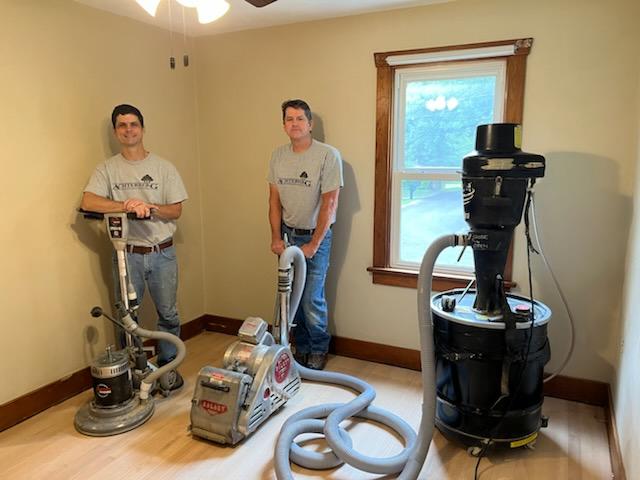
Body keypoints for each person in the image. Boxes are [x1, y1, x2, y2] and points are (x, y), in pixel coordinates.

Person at [82, 104, 188, 389]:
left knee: (169, 313)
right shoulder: (107, 169)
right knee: (127, 317)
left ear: (142, 128)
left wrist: (150, 208)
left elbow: (176, 210)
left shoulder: (163, 168)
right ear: (117, 132)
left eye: (133, 124)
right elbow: (88, 202)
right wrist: (126, 206)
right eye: (122, 125)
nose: (128, 130)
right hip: (126, 254)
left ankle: (168, 367)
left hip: (161, 252)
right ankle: (135, 369)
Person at [268, 99, 343, 370]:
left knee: (311, 297)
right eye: (289, 119)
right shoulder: (278, 155)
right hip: (288, 236)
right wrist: (276, 237)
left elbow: (330, 203)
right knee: (290, 297)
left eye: (300, 119)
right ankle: (297, 347)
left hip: (316, 237)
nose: (295, 124)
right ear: (284, 125)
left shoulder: (327, 155)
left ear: (310, 124)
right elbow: (273, 201)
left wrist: (314, 244)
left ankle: (318, 349)